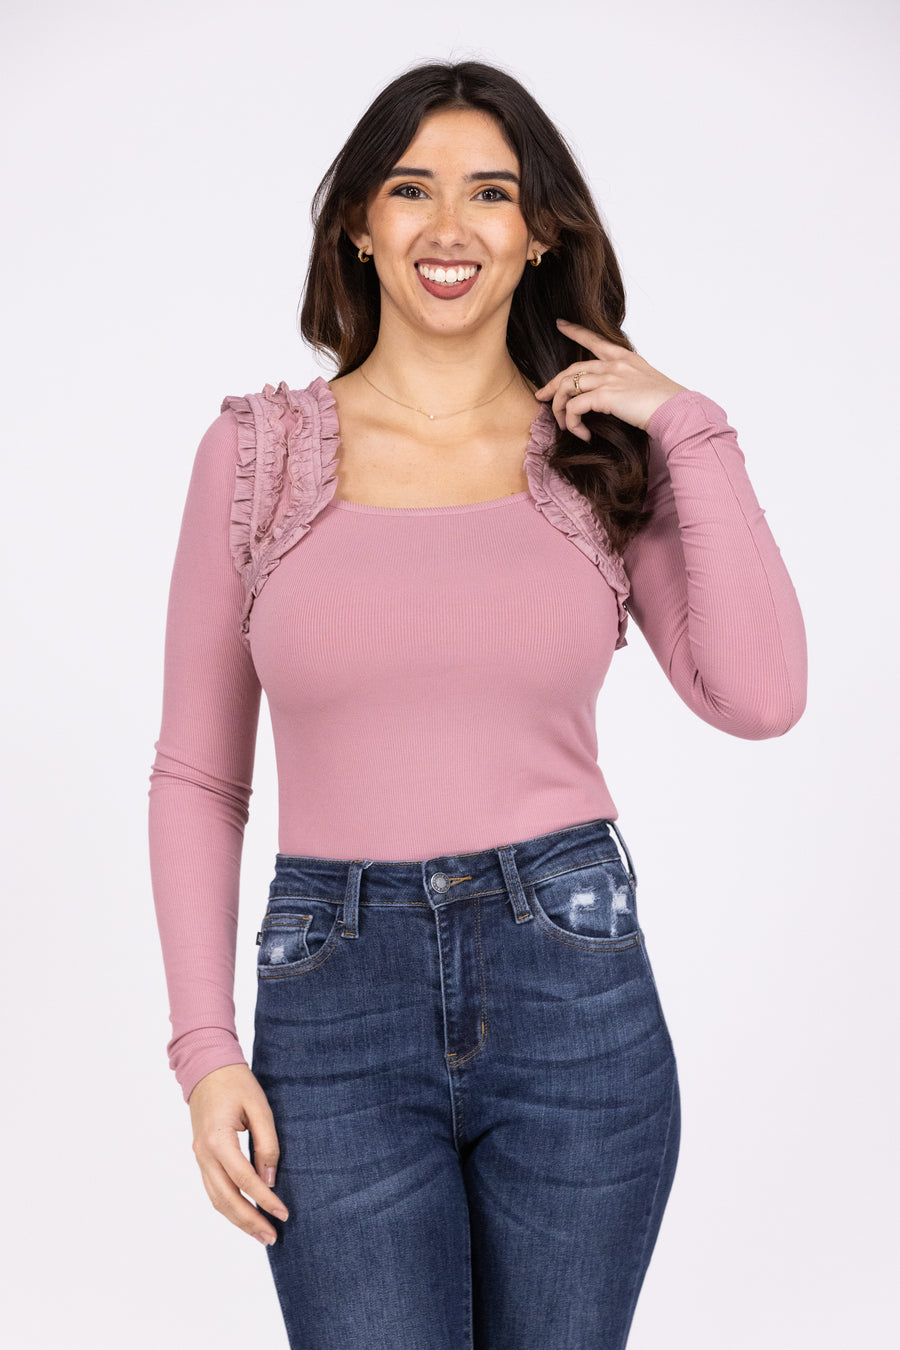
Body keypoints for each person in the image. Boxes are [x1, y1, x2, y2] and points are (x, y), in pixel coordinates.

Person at [147, 58, 807, 1350]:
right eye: (412, 188)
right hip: (331, 1003)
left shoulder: (599, 451)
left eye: (492, 193)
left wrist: (690, 424)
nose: (449, 226)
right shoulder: (258, 453)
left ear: (539, 229)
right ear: (359, 221)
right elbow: (199, 776)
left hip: (573, 989)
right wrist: (205, 1049)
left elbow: (761, 694)